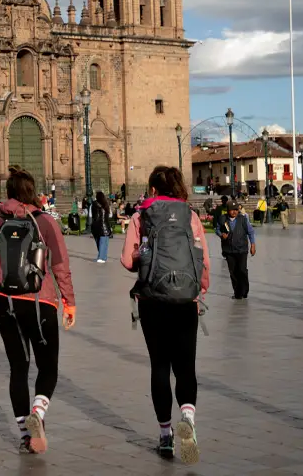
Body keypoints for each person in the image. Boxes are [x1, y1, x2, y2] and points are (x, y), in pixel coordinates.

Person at [0, 166, 76, 455]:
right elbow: (60, 266)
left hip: (6, 304)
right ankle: (39, 409)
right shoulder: (45, 221)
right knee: (48, 368)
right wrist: (69, 303)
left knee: (18, 369)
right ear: (33, 192)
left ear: (9, 193)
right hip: (40, 303)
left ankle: (25, 435)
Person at [121, 165, 210, 463]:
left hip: (152, 301)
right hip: (186, 301)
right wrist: (198, 292)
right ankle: (189, 418)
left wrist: (142, 257)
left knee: (160, 366)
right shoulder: (191, 216)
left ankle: (165, 435)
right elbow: (204, 263)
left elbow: (126, 261)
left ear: (154, 189)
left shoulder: (140, 216)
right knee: (186, 366)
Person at [215, 200, 256, 300]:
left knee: (242, 270)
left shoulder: (243, 219)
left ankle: (245, 290)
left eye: (236, 210)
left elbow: (250, 232)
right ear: (227, 210)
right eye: (232, 210)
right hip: (229, 250)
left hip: (242, 249)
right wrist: (221, 235)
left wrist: (253, 245)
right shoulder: (222, 219)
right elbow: (217, 229)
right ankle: (237, 293)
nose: (234, 212)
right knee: (233, 272)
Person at [91, 191, 112, 263]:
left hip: (95, 226)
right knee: (104, 242)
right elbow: (110, 215)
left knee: (99, 242)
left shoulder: (93, 204)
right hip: (104, 226)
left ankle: (102, 256)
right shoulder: (106, 204)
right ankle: (102, 257)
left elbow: (91, 215)